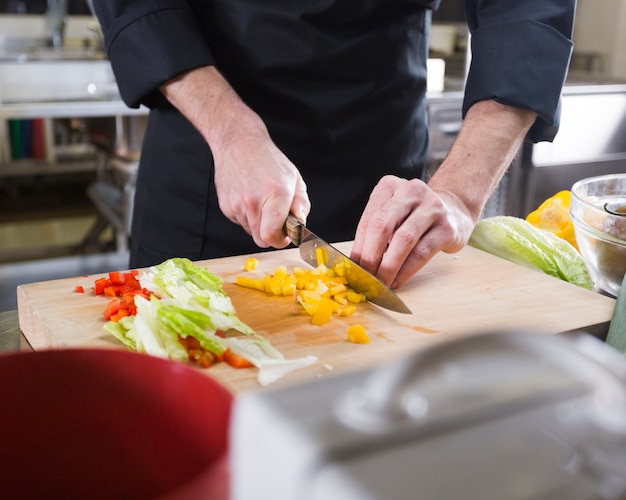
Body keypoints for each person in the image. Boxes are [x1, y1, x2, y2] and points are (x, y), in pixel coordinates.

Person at [90, 0, 576, 290]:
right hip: (207, 155)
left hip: (381, 170)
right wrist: (231, 132)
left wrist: (459, 193)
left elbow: (524, 11)